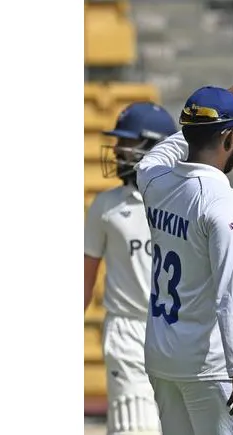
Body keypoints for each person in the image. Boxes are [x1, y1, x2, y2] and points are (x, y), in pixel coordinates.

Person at [135, 85, 233, 435]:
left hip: (163, 358)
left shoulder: (153, 180)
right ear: (229, 136)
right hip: (210, 367)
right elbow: (230, 293)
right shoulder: (225, 203)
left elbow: (154, 157)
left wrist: (195, 125)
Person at [84, 101, 178, 435]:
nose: (118, 150)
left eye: (126, 142)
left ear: (155, 147)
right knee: (135, 427)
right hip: (128, 329)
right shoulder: (106, 206)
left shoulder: (188, 202)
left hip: (178, 330)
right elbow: (83, 281)